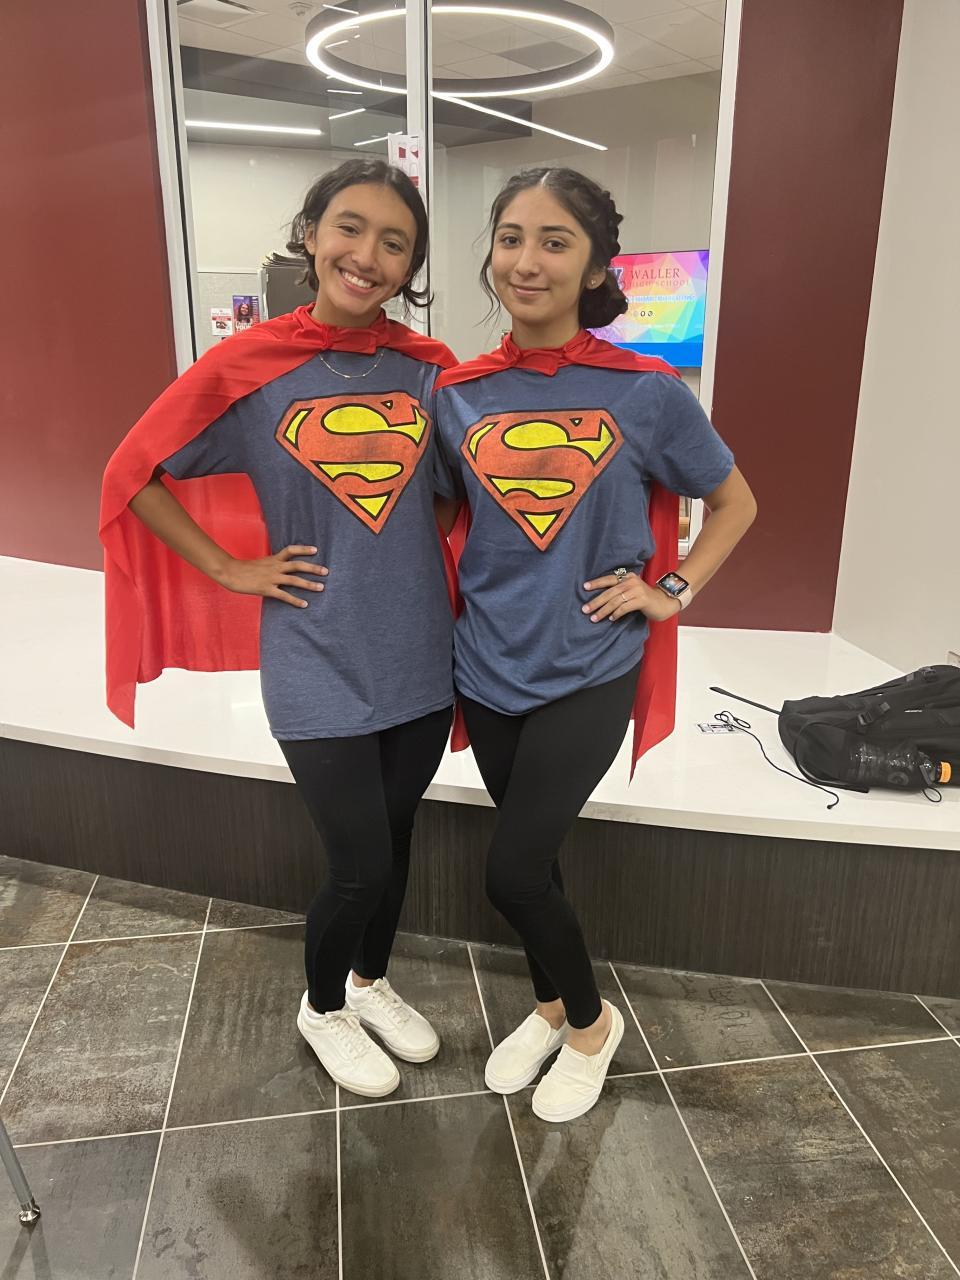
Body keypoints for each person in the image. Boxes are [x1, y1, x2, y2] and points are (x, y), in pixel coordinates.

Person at [100, 159, 459, 1100]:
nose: (368, 255)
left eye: (395, 242)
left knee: (397, 835)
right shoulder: (249, 366)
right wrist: (228, 568)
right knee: (359, 862)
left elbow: (466, 489)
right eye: (350, 228)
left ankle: (370, 982)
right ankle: (323, 1005)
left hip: (421, 649)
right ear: (310, 234)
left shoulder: (430, 370)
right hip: (313, 652)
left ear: (411, 265)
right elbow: (133, 472)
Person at [434, 167, 757, 1123]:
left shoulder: (646, 391)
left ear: (594, 267)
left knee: (511, 871)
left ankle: (589, 1025)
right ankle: (547, 1007)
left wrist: (670, 591)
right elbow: (442, 517)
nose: (526, 261)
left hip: (589, 665)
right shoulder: (457, 393)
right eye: (510, 238)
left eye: (555, 241)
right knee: (537, 865)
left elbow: (735, 503)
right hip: (486, 663)